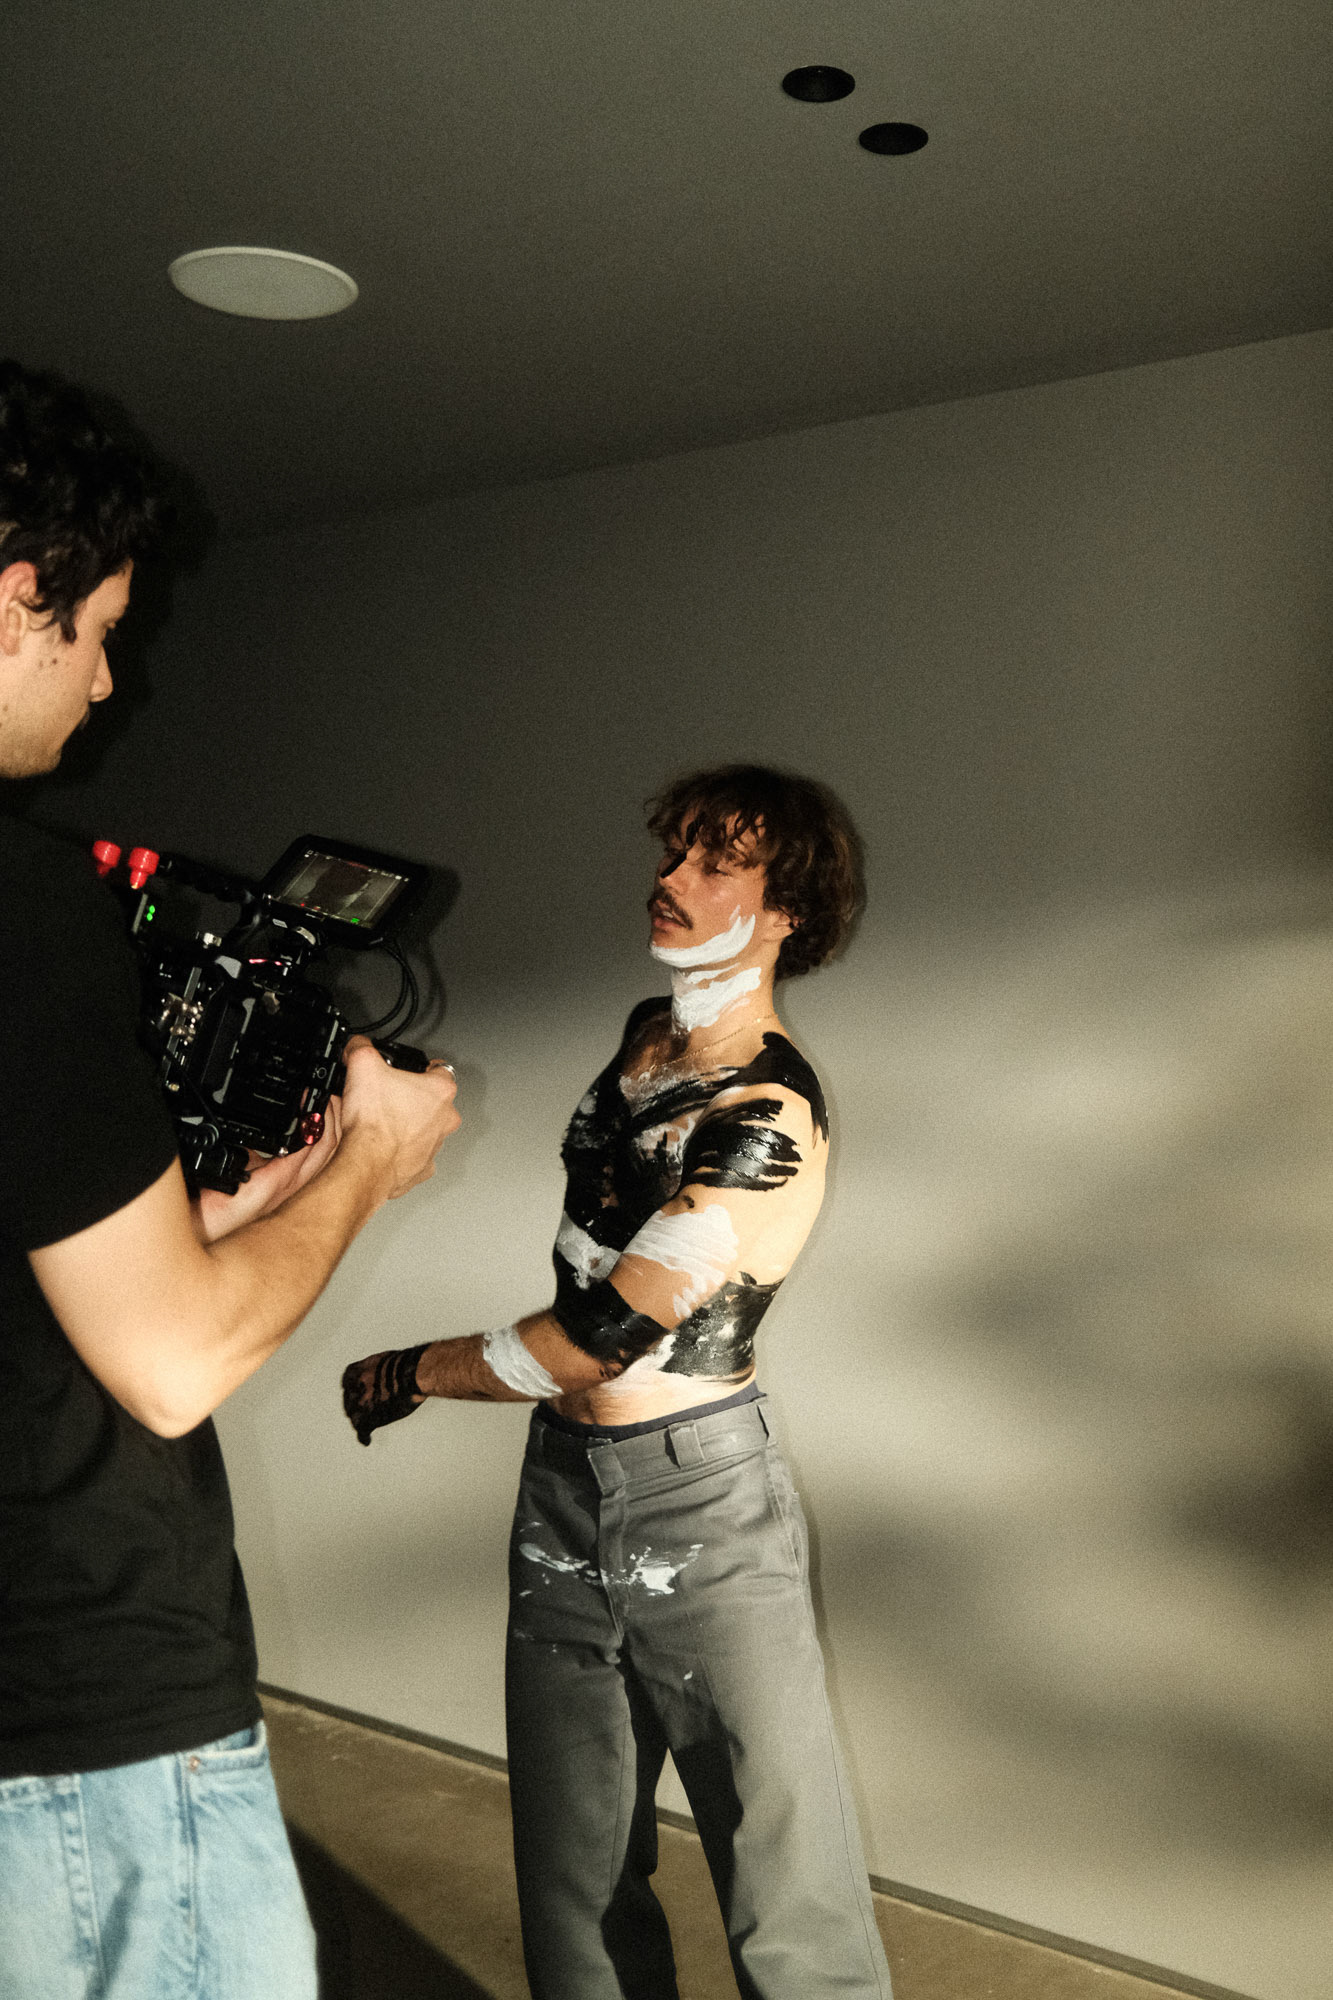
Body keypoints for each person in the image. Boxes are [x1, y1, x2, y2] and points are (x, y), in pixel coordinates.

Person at [0, 358, 460, 2000]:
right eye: (99, 629)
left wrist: (221, 1221)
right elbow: (171, 1362)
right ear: (15, 595)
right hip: (78, 1723)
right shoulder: (25, 903)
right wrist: (369, 1168)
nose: (107, 677)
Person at [343, 763, 892, 2000]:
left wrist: (411, 1367)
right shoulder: (649, 1036)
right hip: (563, 1486)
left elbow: (601, 1335)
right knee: (574, 1863)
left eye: (716, 862)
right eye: (673, 851)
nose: (671, 877)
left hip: (699, 1499)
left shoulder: (768, 1110)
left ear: (788, 909)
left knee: (786, 1888)